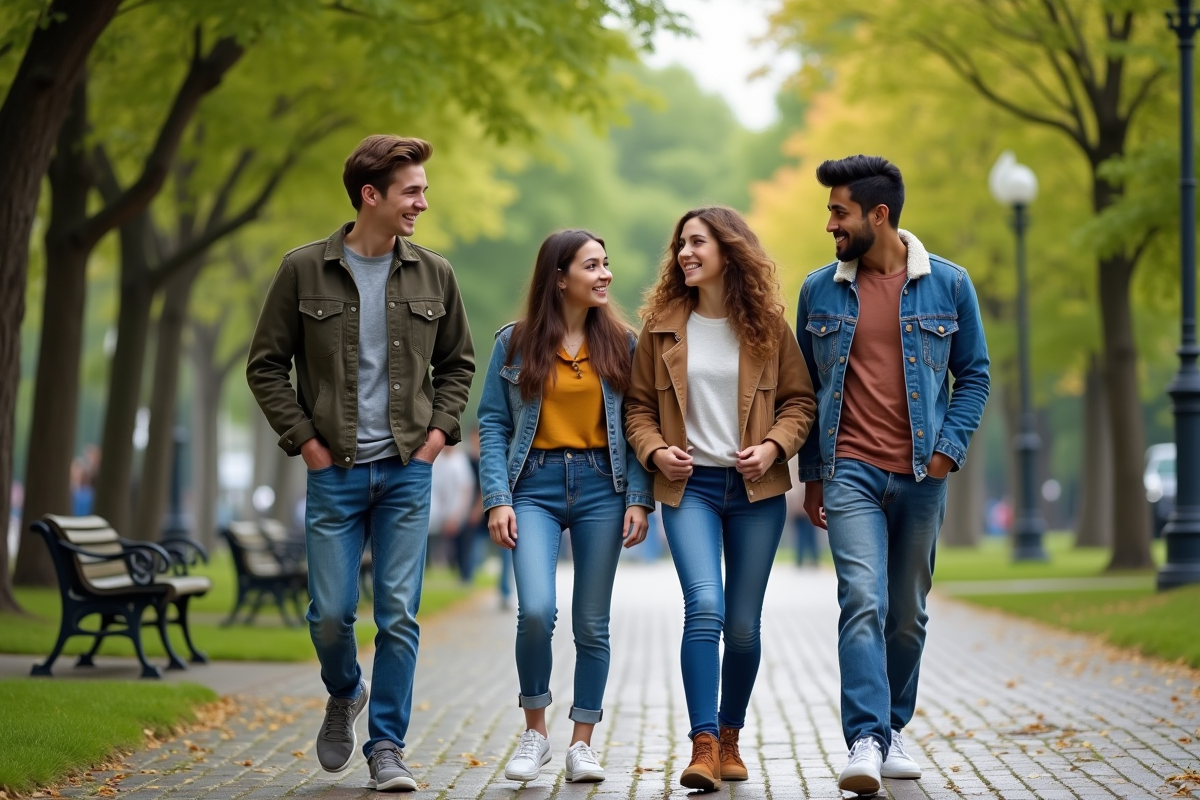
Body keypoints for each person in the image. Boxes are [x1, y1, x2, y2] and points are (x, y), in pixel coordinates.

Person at [247, 135, 475, 793]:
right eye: (412, 191)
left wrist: (435, 439)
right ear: (370, 195)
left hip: (407, 471)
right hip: (335, 472)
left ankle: (387, 749)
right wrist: (306, 443)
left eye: (424, 190)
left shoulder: (435, 274)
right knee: (329, 614)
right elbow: (265, 366)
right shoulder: (302, 270)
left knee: (398, 615)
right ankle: (345, 689)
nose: (423, 203)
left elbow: (457, 365)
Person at [795, 155, 990, 795]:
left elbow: (975, 374)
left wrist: (947, 450)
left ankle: (893, 727)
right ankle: (865, 738)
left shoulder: (949, 285)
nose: (830, 224)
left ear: (878, 215)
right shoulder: (819, 291)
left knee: (907, 614)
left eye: (839, 212)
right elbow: (807, 389)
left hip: (921, 475)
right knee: (863, 599)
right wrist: (814, 475)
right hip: (849, 469)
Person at [625, 206, 817, 791]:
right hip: (691, 490)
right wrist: (656, 451)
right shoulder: (660, 328)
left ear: (729, 251)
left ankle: (731, 734)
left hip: (757, 491)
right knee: (704, 606)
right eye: (681, 244)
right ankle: (703, 743)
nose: (684, 253)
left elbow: (799, 403)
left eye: (697, 242)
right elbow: (637, 408)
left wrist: (774, 447)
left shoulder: (769, 328)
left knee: (743, 627)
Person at [477, 229, 653, 784]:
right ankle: (536, 734)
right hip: (533, 485)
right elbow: (493, 423)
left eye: (606, 264)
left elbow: (638, 423)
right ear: (559, 277)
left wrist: (639, 499)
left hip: (604, 484)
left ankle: (582, 743)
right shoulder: (514, 343)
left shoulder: (623, 343)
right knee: (535, 610)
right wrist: (497, 499)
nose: (605, 275)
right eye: (592, 266)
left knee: (591, 623)